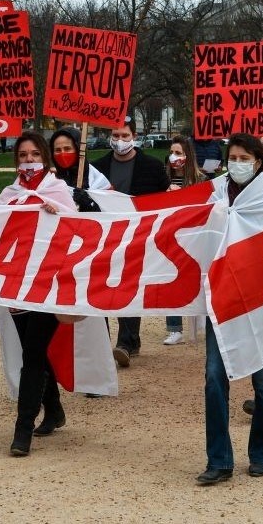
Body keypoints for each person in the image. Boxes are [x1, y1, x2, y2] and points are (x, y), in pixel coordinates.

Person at [0, 133, 78, 456]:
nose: (29, 160)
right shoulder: (9, 194)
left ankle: (23, 430)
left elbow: (78, 229)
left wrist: (58, 214)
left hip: (48, 283)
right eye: (23, 155)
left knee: (32, 353)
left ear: (44, 158)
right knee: (35, 348)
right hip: (17, 284)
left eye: (34, 154)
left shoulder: (58, 190)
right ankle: (55, 408)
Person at [198, 133, 263, 485]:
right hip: (223, 299)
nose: (237, 163)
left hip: (261, 302)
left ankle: (261, 452)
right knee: (214, 377)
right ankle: (219, 460)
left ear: (258, 162)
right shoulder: (213, 194)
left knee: (262, 381)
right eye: (233, 157)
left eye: (245, 157)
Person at [91, 117, 169, 367]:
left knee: (128, 285)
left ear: (134, 136)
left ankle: (126, 341)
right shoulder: (96, 168)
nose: (120, 141)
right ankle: (114, 341)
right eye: (115, 136)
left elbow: (165, 198)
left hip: (139, 235)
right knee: (104, 286)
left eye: (125, 136)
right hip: (106, 235)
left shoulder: (152, 167)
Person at [162, 135, 206, 345]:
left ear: (188, 155)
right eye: (172, 152)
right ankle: (174, 328)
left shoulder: (200, 180)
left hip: (194, 237)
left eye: (178, 153)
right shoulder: (163, 179)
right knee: (171, 279)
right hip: (170, 237)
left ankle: (202, 322)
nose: (174, 156)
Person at [49, 127, 111, 192]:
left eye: (67, 149)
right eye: (58, 150)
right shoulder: (50, 178)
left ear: (78, 149)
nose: (62, 153)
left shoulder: (96, 179)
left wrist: (88, 199)